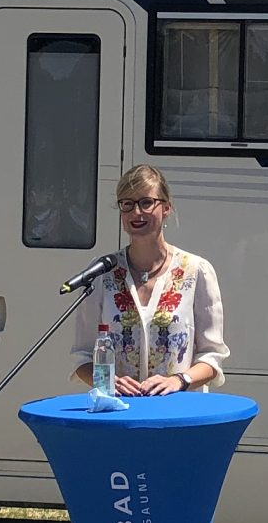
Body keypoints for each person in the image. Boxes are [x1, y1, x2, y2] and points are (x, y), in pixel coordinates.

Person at [68, 163, 229, 395]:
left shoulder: (196, 271)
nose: (136, 213)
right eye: (127, 204)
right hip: (120, 414)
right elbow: (82, 357)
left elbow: (213, 357)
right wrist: (108, 381)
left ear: (166, 208)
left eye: (146, 203)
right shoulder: (103, 273)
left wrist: (179, 380)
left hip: (178, 414)